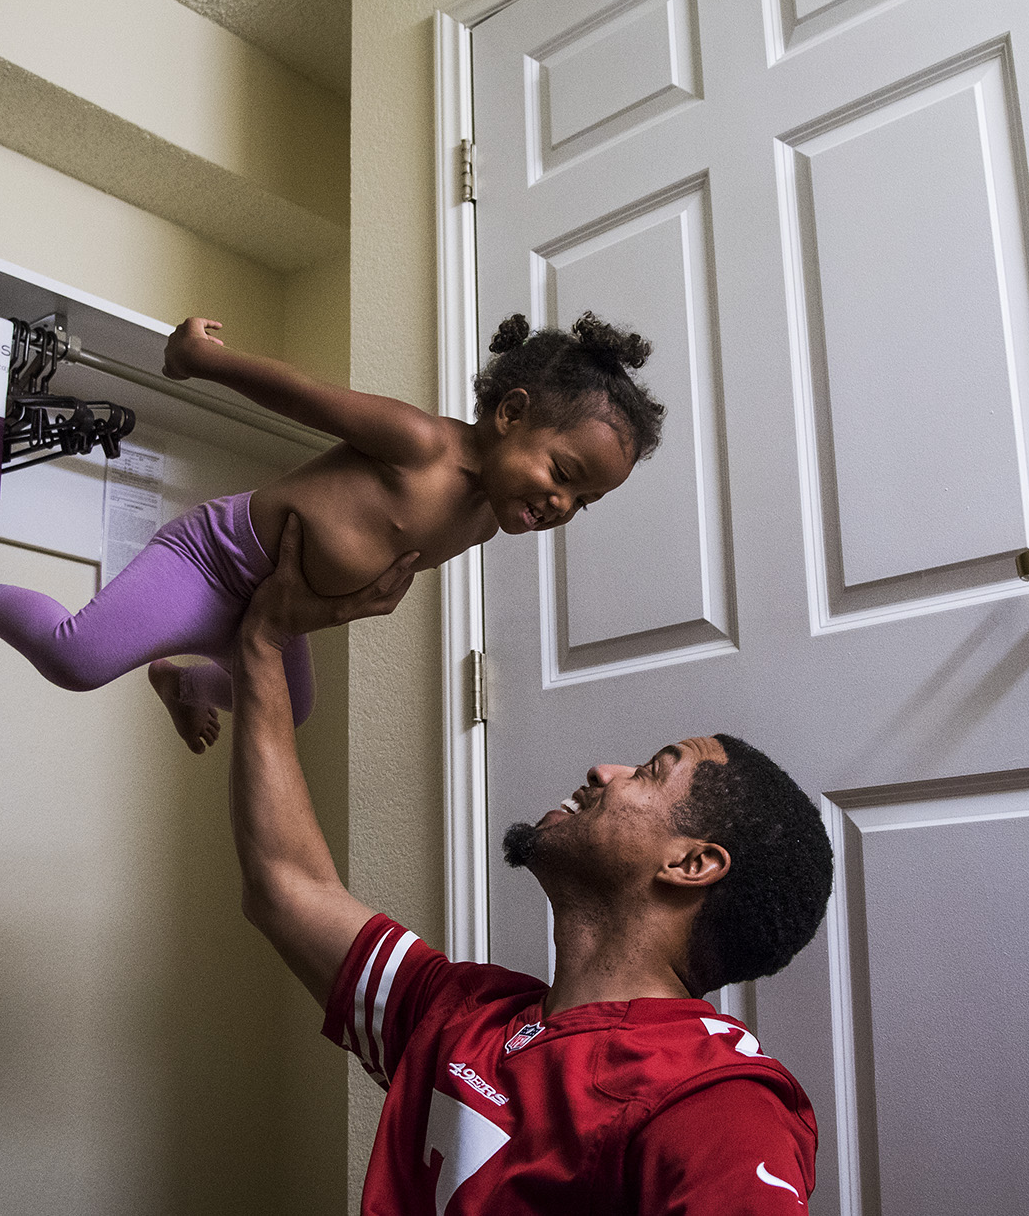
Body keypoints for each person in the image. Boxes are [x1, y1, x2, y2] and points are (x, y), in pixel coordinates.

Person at [229, 516, 836, 1214]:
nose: (601, 769)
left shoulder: (715, 1101)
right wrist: (264, 640)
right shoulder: (464, 1014)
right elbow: (286, 883)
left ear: (692, 862)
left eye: (646, 771)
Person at [0, 310, 664, 752]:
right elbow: (302, 395)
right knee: (76, 657)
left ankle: (179, 679)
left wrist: (343, 602)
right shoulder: (422, 444)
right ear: (512, 413)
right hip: (216, 562)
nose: (561, 505)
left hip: (277, 605)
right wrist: (202, 359)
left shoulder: (485, 523)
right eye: (563, 474)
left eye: (582, 501)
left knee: (294, 711)